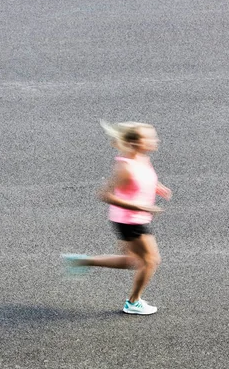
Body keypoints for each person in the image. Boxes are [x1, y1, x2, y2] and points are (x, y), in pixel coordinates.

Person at [63, 121, 171, 315]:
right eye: (149, 138)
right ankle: (133, 302)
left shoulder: (142, 159)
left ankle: (81, 261)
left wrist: (157, 187)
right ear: (134, 143)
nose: (156, 140)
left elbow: (142, 179)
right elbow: (105, 194)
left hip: (134, 218)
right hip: (130, 221)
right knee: (151, 261)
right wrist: (140, 206)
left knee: (132, 260)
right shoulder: (125, 167)